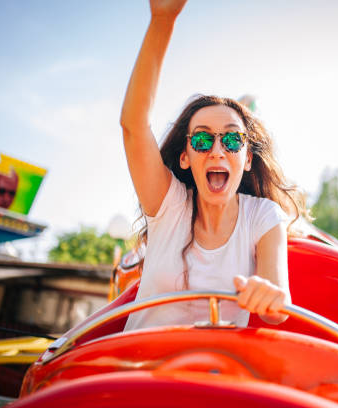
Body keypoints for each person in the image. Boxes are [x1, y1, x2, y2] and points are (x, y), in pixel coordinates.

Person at [121, 0, 306, 330]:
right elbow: (134, 126)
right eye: (202, 141)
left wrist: (268, 295)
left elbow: (278, 309)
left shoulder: (264, 217)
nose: (217, 150)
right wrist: (163, 20)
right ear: (185, 156)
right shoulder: (170, 205)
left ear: (247, 158)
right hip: (142, 370)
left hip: (213, 372)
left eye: (233, 140)